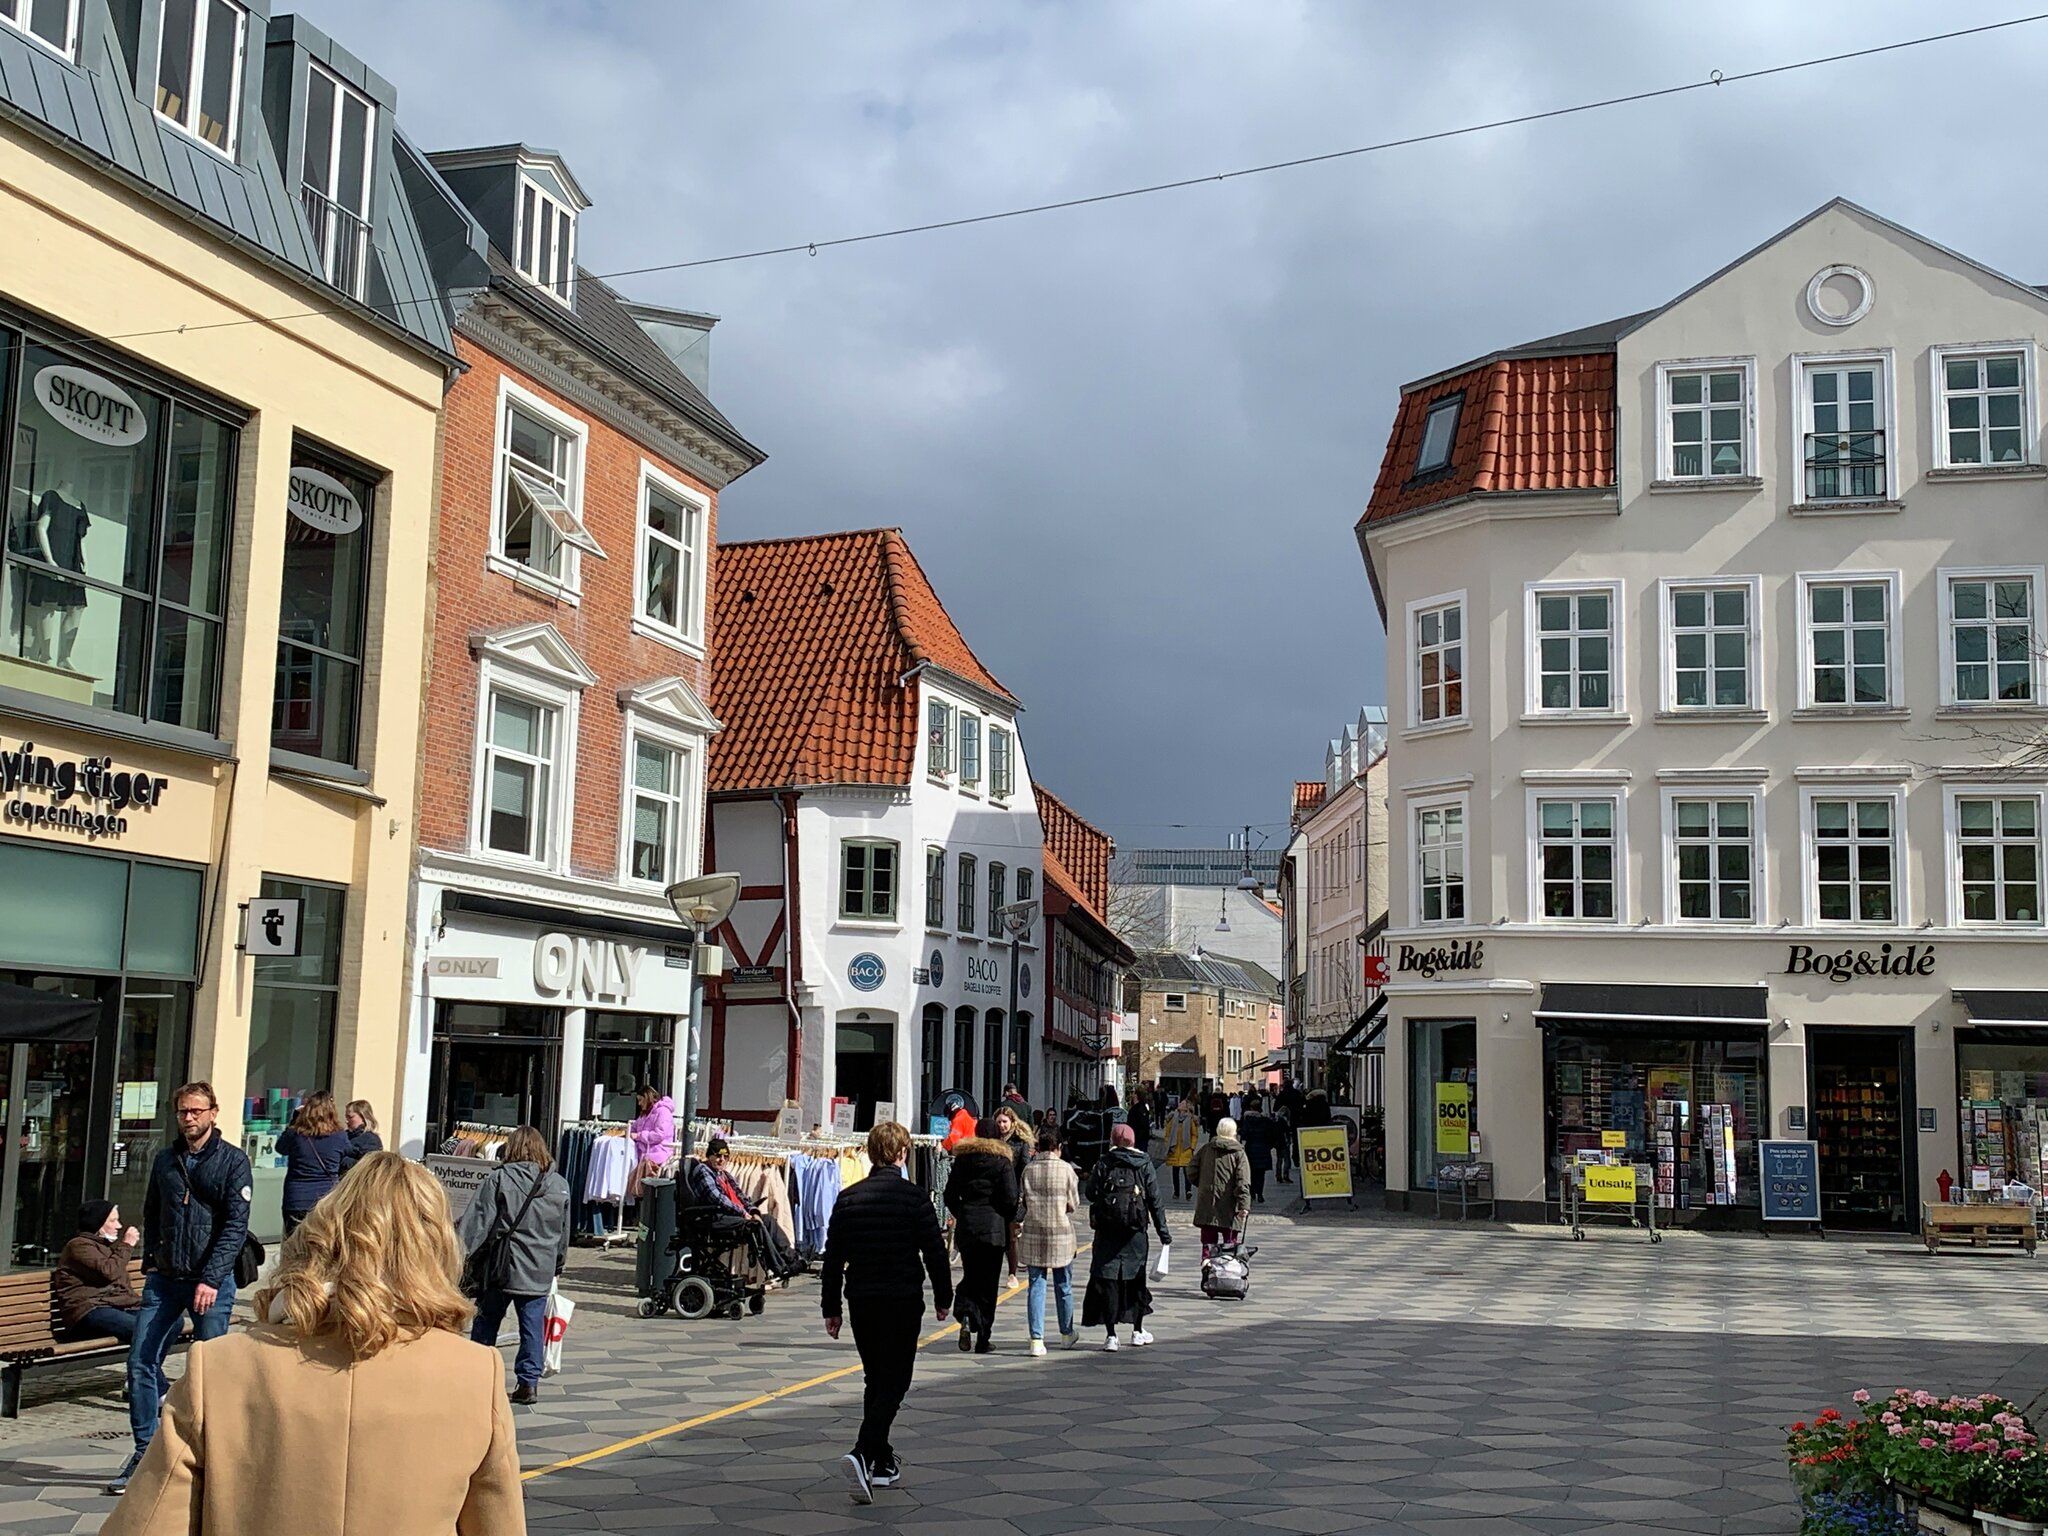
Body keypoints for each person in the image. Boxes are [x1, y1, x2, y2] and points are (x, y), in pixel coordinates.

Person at [100, 1152, 525, 1536]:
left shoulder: (220, 1366)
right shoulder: (473, 1373)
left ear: (318, 1235)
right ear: (436, 1249)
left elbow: (147, 1524)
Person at [110, 1081, 251, 1496]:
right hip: (166, 1277)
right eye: (183, 1111)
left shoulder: (233, 1161)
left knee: (209, 1368)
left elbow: (235, 1227)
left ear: (213, 1113)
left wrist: (211, 1277)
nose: (189, 1118)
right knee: (140, 1360)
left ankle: (213, 1451)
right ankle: (145, 1452)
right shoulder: (166, 1160)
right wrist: (151, 1261)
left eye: (196, 1111)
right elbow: (152, 1211)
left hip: (211, 1279)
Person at [820, 1122, 952, 1505]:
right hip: (902, 1298)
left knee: (875, 1378)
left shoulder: (848, 1199)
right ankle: (863, 1452)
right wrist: (945, 1296)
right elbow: (935, 1251)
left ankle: (881, 1462)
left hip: (862, 1298)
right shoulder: (914, 1198)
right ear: (902, 1153)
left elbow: (833, 1260)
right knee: (896, 1380)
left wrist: (832, 1308)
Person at [456, 1125, 569, 1405]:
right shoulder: (560, 1184)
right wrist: (557, 1263)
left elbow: (477, 1222)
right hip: (539, 1267)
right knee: (532, 1327)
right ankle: (528, 1383)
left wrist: (458, 1253)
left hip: (502, 1266)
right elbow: (563, 1232)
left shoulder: (500, 1179)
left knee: (487, 1321)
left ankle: (479, 1379)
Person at [1081, 1123, 1170, 1350]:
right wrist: (1163, 1233)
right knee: (1136, 1279)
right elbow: (1155, 1199)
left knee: (1109, 1280)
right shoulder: (1143, 1163)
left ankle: (1111, 1335)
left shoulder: (1104, 1162)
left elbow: (1090, 1193)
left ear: (1113, 1140)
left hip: (1107, 1231)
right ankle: (1137, 1330)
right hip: (1135, 1231)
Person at [942, 1118, 1017, 1354]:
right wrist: (1006, 1216)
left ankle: (965, 1313)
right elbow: (1010, 1198)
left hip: (969, 1226)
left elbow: (950, 1194)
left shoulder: (963, 1159)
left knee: (971, 1275)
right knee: (989, 1282)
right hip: (993, 1229)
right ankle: (983, 1336)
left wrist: (962, 1213)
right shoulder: (1002, 1161)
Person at [688, 1137, 800, 1279]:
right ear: (709, 1156)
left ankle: (792, 1258)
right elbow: (717, 1198)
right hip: (713, 1218)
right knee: (755, 1225)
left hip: (729, 1216)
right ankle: (779, 1268)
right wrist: (743, 1213)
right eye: (717, 1156)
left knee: (767, 1220)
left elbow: (741, 1195)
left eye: (725, 1157)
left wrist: (753, 1210)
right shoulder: (703, 1171)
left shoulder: (724, 1175)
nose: (721, 1160)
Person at [1016, 1127, 1080, 1355]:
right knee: (1063, 1284)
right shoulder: (1066, 1170)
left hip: (1034, 1231)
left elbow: (1023, 1202)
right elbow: (1074, 1203)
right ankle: (1066, 1333)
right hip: (1060, 1232)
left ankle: (1036, 1339)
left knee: (1036, 1284)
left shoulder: (1028, 1169)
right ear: (1058, 1147)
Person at [54, 1200, 141, 1344]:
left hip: (117, 1306)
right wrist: (126, 1245)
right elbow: (109, 1272)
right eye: (113, 1221)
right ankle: (142, 1366)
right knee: (144, 1330)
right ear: (98, 1223)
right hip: (90, 1310)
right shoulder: (78, 1245)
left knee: (171, 1323)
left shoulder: (106, 1246)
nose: (119, 1226)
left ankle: (147, 1364)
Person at [276, 1091, 351, 1235]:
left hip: (297, 1197)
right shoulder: (340, 1136)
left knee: (294, 1246)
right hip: (327, 1198)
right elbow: (347, 1153)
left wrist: (295, 1119)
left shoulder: (295, 1134)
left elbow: (280, 1148)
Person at [1192, 1115, 1252, 1260]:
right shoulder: (1238, 1153)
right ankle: (1227, 1275)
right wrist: (1244, 1205)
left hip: (1208, 1204)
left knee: (1208, 1245)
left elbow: (1191, 1169)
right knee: (1230, 1246)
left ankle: (1207, 1274)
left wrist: (1202, 1185)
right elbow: (1243, 1181)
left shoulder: (1206, 1149)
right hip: (1230, 1206)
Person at [629, 1083, 676, 1189]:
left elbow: (659, 1135)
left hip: (658, 1157)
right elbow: (634, 1127)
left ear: (647, 1098)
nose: (639, 1103)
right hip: (645, 1156)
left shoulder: (663, 1112)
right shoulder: (645, 1114)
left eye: (640, 1100)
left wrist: (638, 1136)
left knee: (648, 1190)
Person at [1238, 1099, 1277, 1205]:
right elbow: (1273, 1135)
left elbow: (1244, 1135)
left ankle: (1252, 1193)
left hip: (1250, 1150)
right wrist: (1269, 1146)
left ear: (1251, 1108)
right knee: (1261, 1173)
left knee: (1250, 1172)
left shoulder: (1247, 1121)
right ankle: (1260, 1193)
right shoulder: (1266, 1121)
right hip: (1263, 1150)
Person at [1163, 1094, 1201, 1199]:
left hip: (1186, 1149)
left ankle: (1188, 1191)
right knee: (1175, 1173)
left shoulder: (1190, 1119)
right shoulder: (1173, 1117)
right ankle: (1176, 1192)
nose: (1180, 1104)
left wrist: (1192, 1147)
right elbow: (1168, 1133)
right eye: (1180, 1103)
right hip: (1174, 1149)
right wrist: (1168, 1143)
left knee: (1186, 1172)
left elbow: (1194, 1135)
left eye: (1183, 1103)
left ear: (1186, 1107)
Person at [339, 1100, 382, 1170]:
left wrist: (340, 1159)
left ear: (363, 1117)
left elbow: (368, 1166)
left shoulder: (371, 1140)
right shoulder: (343, 1136)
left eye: (350, 1117)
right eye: (346, 1117)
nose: (346, 1121)